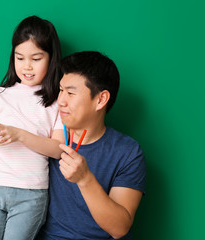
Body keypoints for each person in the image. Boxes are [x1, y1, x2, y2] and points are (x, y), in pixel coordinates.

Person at [0, 16, 64, 240]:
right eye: (20, 58)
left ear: (51, 59)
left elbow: (58, 149)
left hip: (31, 194)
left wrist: (19, 134)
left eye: (36, 58)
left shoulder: (55, 102)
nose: (27, 66)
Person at [38, 51, 146, 240]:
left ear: (101, 100)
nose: (61, 100)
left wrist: (85, 179)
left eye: (70, 93)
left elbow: (119, 228)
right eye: (61, 90)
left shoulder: (127, 152)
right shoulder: (46, 139)